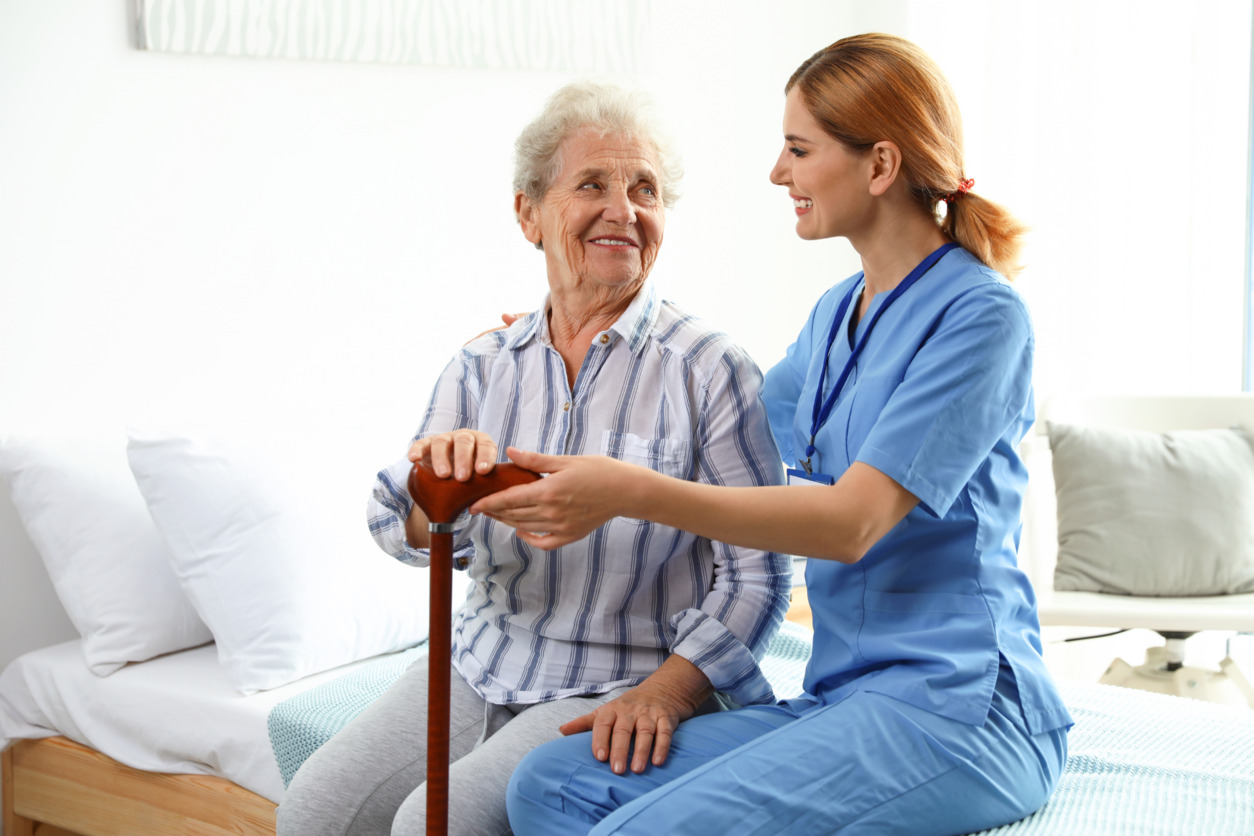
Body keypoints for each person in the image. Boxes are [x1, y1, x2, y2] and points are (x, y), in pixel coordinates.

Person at [480, 34, 1073, 835]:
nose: (777, 172)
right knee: (549, 782)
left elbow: (852, 523)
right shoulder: (839, 312)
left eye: (798, 148)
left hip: (957, 708)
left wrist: (631, 493)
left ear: (880, 165)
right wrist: (588, 342)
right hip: (845, 695)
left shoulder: (981, 319)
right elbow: (721, 412)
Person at [275, 80, 791, 836]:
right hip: (482, 659)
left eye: (644, 189)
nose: (624, 210)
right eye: (592, 185)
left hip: (624, 674)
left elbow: (762, 573)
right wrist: (437, 486)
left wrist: (672, 693)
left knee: (435, 822)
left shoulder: (710, 368)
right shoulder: (482, 366)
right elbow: (403, 529)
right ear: (529, 213)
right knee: (311, 812)